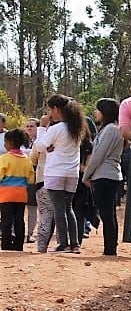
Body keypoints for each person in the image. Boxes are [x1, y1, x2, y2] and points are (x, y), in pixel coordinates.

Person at [35, 94, 87, 254]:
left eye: (50, 110)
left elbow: (39, 146)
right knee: (68, 208)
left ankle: (63, 243)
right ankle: (75, 243)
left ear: (56, 109)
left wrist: (42, 127)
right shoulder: (77, 128)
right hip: (72, 173)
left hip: (55, 172)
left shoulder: (55, 128)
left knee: (58, 208)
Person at [83, 98, 123, 256]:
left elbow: (98, 155)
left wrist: (86, 175)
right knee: (108, 213)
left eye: (97, 110)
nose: (95, 113)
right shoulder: (109, 129)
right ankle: (110, 247)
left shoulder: (111, 130)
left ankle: (110, 249)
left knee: (107, 213)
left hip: (105, 176)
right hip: (107, 175)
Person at [0, 128, 36, 251]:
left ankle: (6, 245)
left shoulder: (4, 158)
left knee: (6, 220)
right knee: (19, 219)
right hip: (21, 194)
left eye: (5, 142)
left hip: (6, 194)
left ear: (10, 142)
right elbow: (31, 179)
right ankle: (18, 245)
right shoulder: (27, 159)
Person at [30, 115, 55, 253]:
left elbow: (33, 159)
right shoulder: (66, 135)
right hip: (62, 178)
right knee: (62, 212)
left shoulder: (42, 140)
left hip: (43, 179)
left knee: (45, 213)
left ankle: (42, 246)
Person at [23, 118, 40, 243]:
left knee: (32, 206)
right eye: (27, 126)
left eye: (32, 126)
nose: (29, 128)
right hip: (20, 177)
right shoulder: (20, 141)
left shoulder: (41, 141)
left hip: (34, 176)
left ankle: (30, 233)